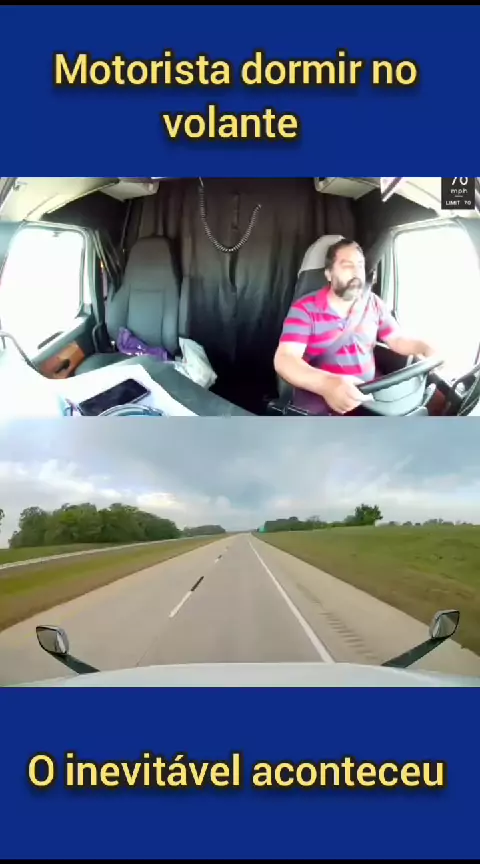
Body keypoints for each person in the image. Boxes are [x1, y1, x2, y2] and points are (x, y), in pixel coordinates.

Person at [274, 238, 437, 415]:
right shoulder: (305, 309)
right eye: (347, 266)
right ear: (329, 274)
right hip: (322, 402)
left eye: (360, 266)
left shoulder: (373, 303)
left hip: (369, 397)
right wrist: (327, 384)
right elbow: (286, 359)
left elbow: (397, 339)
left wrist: (425, 347)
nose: (357, 273)